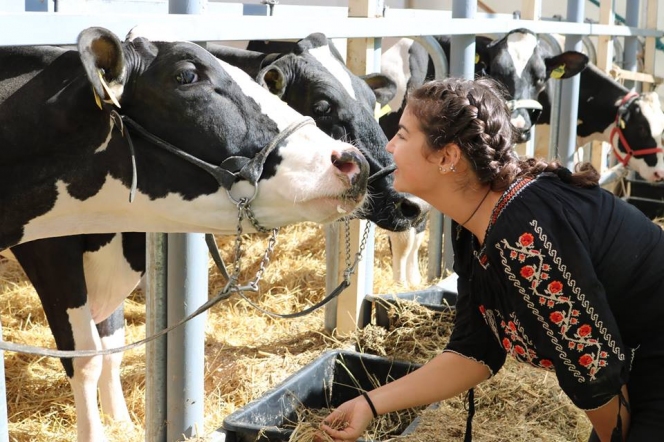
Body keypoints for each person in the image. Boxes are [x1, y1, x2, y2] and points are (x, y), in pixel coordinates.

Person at [318, 77, 664, 442]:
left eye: (402, 135)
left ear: (447, 156)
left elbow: (595, 373)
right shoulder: (474, 227)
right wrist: (370, 404)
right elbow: (474, 351)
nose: (389, 145)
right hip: (637, 365)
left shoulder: (521, 233)